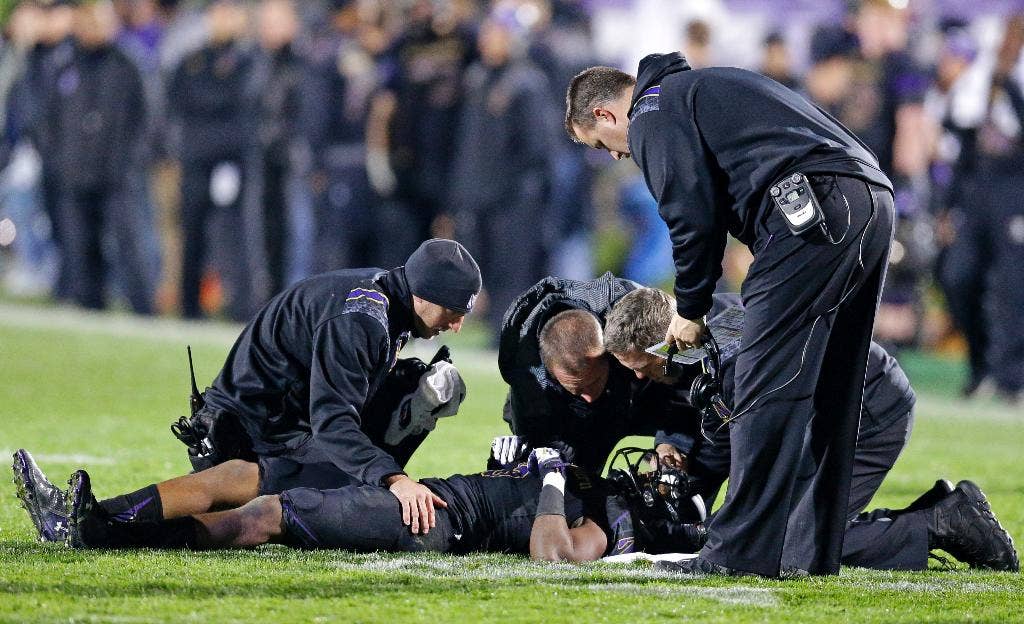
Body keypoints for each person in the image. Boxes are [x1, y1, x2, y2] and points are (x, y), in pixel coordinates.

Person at [566, 52, 895, 577]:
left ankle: (739, 555)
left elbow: (690, 215)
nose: (614, 157)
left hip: (809, 211)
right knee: (836, 387)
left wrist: (691, 309)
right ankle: (812, 555)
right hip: (868, 199)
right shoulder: (702, 89)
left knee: (765, 389)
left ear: (606, 115)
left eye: (601, 146)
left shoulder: (652, 111)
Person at [14, 238, 482, 540]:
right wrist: (394, 479)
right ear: (424, 294)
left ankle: (97, 522)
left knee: (412, 398)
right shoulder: (362, 320)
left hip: (263, 420)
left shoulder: (383, 298)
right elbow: (334, 422)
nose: (458, 325)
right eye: (454, 311)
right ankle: (100, 522)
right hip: (246, 433)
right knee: (302, 491)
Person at [602, 287, 1019, 572]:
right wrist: (672, 447)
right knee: (786, 529)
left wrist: (714, 521)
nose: (639, 380)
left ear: (668, 345)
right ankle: (934, 512)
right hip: (830, 411)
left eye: (644, 369)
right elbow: (712, 421)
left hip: (865, 414)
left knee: (785, 549)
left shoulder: (735, 364)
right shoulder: (706, 325)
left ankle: (942, 523)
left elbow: (755, 458)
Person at [17, 445, 705, 562]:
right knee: (264, 495)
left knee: (270, 513)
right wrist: (525, 465)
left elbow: (554, 554)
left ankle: (109, 533)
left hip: (436, 521)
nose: (655, 464)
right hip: (444, 497)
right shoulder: (606, 487)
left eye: (665, 473)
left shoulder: (607, 529)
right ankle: (110, 524)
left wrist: (551, 481)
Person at [494, 273, 694, 475]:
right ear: (554, 374)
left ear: (606, 353)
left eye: (594, 381)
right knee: (554, 472)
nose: (589, 397)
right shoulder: (524, 367)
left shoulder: (631, 314)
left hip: (635, 393)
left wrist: (670, 441)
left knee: (703, 423)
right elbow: (533, 430)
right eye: (578, 389)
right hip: (557, 404)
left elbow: (682, 378)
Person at [42, 0, 154, 314]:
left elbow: (147, 118)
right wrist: (59, 159)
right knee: (81, 247)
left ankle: (143, 309)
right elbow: (48, 118)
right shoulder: (65, 64)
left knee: (129, 246)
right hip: (75, 173)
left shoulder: (128, 63)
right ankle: (89, 306)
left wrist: (131, 162)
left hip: (118, 175)